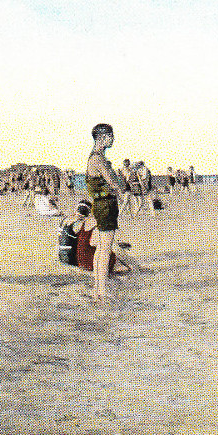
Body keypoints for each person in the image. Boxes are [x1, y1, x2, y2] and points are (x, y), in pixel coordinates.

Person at [86, 123, 126, 302]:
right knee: (105, 250)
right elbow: (115, 183)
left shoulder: (95, 157)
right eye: (111, 136)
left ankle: (98, 287)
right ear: (102, 137)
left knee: (101, 249)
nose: (113, 139)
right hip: (105, 205)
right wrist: (120, 183)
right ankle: (101, 290)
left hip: (101, 204)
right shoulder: (98, 159)